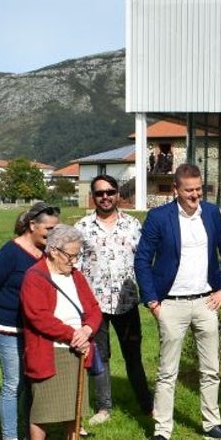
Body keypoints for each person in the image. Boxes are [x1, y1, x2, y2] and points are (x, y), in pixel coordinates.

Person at [134, 163, 221, 440]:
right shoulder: (159, 218)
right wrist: (153, 301)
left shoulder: (213, 214)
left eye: (199, 189)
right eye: (189, 190)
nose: (195, 195)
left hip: (206, 302)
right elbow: (142, 260)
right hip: (171, 304)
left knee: (210, 369)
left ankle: (212, 425)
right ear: (177, 190)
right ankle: (162, 431)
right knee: (167, 371)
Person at [20, 224, 104, 440]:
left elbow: (93, 308)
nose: (75, 260)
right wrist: (72, 335)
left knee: (74, 406)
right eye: (71, 255)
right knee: (42, 408)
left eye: (78, 255)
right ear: (54, 251)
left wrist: (87, 330)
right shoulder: (35, 277)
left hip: (77, 350)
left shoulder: (76, 276)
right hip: (50, 350)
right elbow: (39, 317)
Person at [0, 201, 60, 440]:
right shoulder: (10, 253)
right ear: (32, 225)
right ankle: (9, 439)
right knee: (13, 383)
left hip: (35, 331)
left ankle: (32, 437)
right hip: (9, 329)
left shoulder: (47, 254)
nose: (52, 233)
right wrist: (4, 310)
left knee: (33, 384)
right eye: (49, 228)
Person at [77, 175, 154, 423]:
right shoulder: (82, 228)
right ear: (93, 196)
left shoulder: (133, 225)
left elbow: (145, 262)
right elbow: (75, 267)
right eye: (100, 193)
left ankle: (147, 405)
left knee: (133, 355)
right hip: (95, 303)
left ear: (118, 194)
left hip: (126, 300)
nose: (105, 197)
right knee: (100, 355)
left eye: (110, 192)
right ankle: (103, 407)